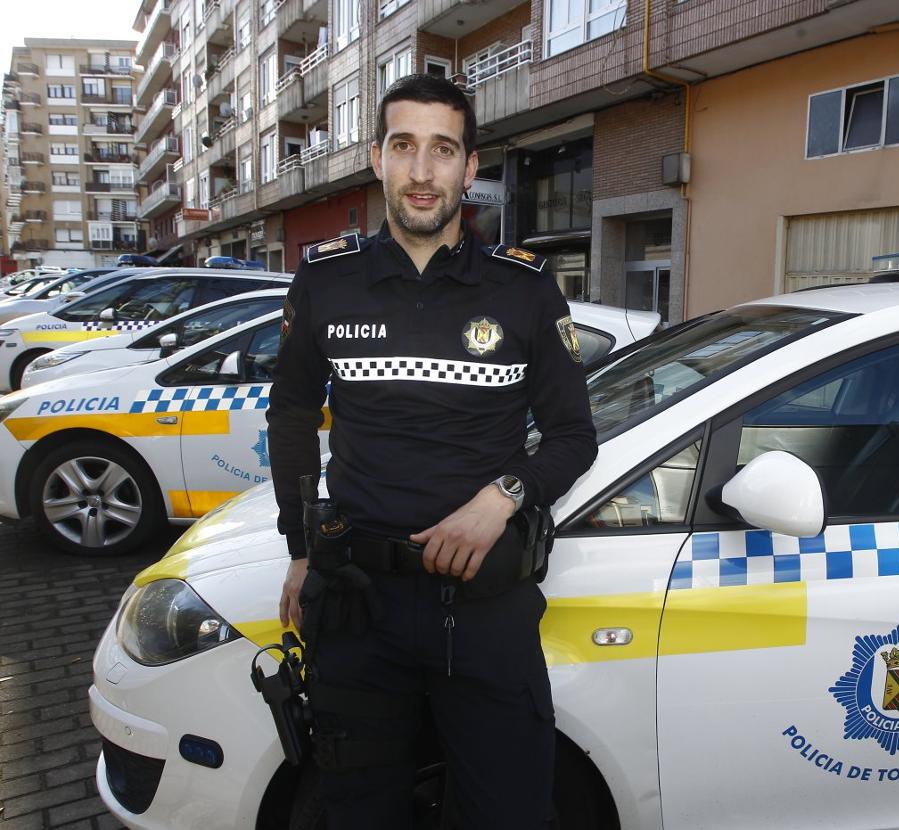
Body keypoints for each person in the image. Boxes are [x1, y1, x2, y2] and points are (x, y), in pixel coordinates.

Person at [266, 73, 597, 828]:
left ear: (469, 167)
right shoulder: (326, 279)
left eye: (443, 150)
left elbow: (575, 435)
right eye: (404, 147)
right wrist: (299, 547)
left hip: (484, 608)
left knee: (509, 812)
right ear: (377, 157)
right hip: (358, 606)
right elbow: (291, 415)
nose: (422, 172)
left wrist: (500, 498)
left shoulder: (525, 288)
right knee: (358, 813)